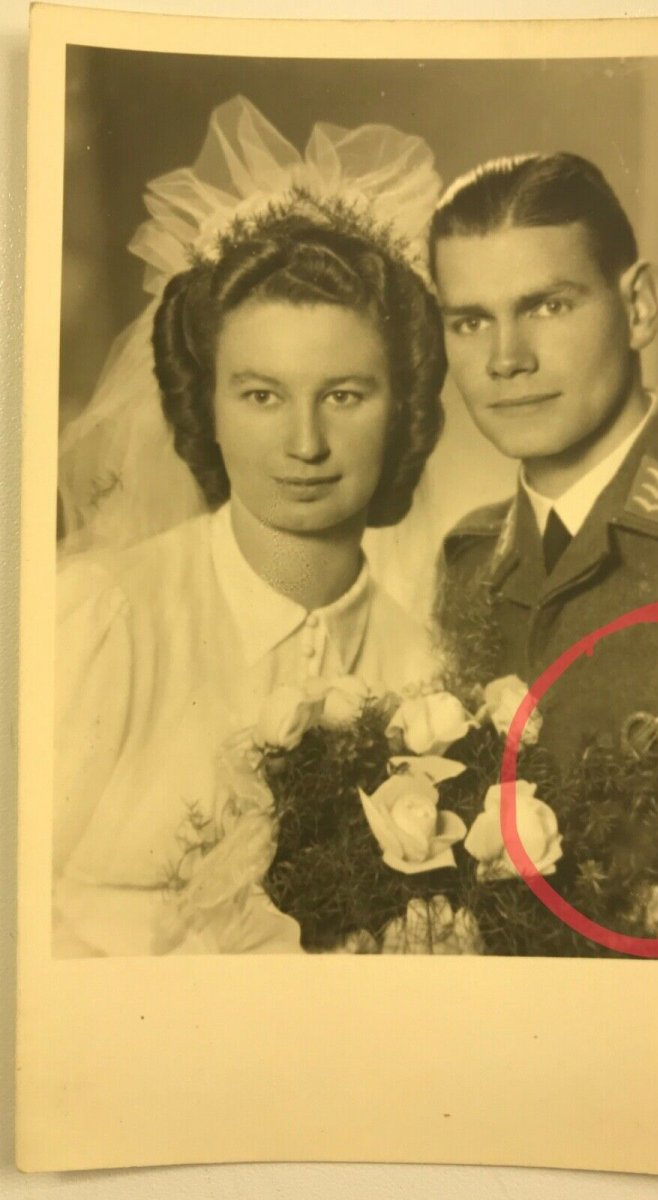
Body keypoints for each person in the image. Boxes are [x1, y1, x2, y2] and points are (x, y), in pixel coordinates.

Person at [53, 99, 446, 956]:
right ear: (207, 407)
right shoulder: (102, 618)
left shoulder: (426, 667)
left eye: (344, 395)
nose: (305, 444)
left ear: (402, 408)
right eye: (262, 395)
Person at [429, 152, 658, 949]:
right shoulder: (467, 567)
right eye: (470, 321)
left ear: (639, 307)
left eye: (547, 306)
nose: (506, 358)